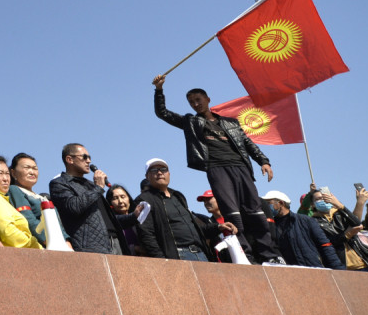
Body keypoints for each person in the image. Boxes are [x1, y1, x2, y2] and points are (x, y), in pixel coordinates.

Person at [152, 74, 283, 264]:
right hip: (217, 169)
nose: (195, 104)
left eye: (198, 100)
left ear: (208, 99)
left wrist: (263, 161)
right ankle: (245, 255)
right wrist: (159, 90)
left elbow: (247, 143)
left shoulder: (231, 123)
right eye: (191, 102)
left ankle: (270, 255)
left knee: (255, 211)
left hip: (241, 168)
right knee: (232, 213)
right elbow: (163, 113)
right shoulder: (191, 122)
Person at [136, 158, 236, 261]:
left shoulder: (178, 196)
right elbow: (147, 235)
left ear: (169, 174)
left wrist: (218, 227)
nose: (160, 172)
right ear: (147, 176)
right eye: (154, 170)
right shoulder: (144, 199)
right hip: (177, 256)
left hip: (201, 254)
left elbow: (194, 228)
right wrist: (163, 261)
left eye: (163, 169)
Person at [49, 143, 124, 254]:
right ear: (69, 159)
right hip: (91, 246)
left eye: (89, 157)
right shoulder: (59, 183)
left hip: (114, 242)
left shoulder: (91, 185)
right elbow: (74, 207)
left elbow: (106, 217)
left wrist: (135, 216)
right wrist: (98, 188)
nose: (88, 161)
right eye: (84, 157)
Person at [263, 190, 344, 269]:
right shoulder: (270, 226)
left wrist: (338, 269)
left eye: (268, 203)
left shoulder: (306, 221)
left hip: (312, 271)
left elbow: (325, 246)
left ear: (281, 203)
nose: (266, 207)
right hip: (288, 273)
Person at [0, 156, 42, 249]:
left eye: (7, 173)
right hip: (15, 253)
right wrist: (37, 247)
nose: (6, 179)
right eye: (0, 173)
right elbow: (8, 232)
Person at [8, 152, 68, 247]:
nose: (32, 172)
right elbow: (29, 219)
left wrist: (67, 242)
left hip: (59, 244)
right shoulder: (14, 190)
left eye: (35, 168)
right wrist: (51, 241)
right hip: (43, 245)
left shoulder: (41, 197)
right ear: (13, 173)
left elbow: (58, 224)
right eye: (27, 168)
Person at [296, 185, 362, 266]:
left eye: (325, 198)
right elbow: (325, 243)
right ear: (312, 204)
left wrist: (340, 205)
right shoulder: (313, 222)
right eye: (318, 199)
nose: (323, 200)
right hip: (340, 265)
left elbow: (358, 224)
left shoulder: (339, 214)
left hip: (362, 262)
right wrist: (346, 235)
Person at [106, 183, 144, 256]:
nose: (120, 201)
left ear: (129, 199)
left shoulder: (139, 218)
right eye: (115, 198)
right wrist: (134, 248)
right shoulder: (110, 223)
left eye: (123, 197)